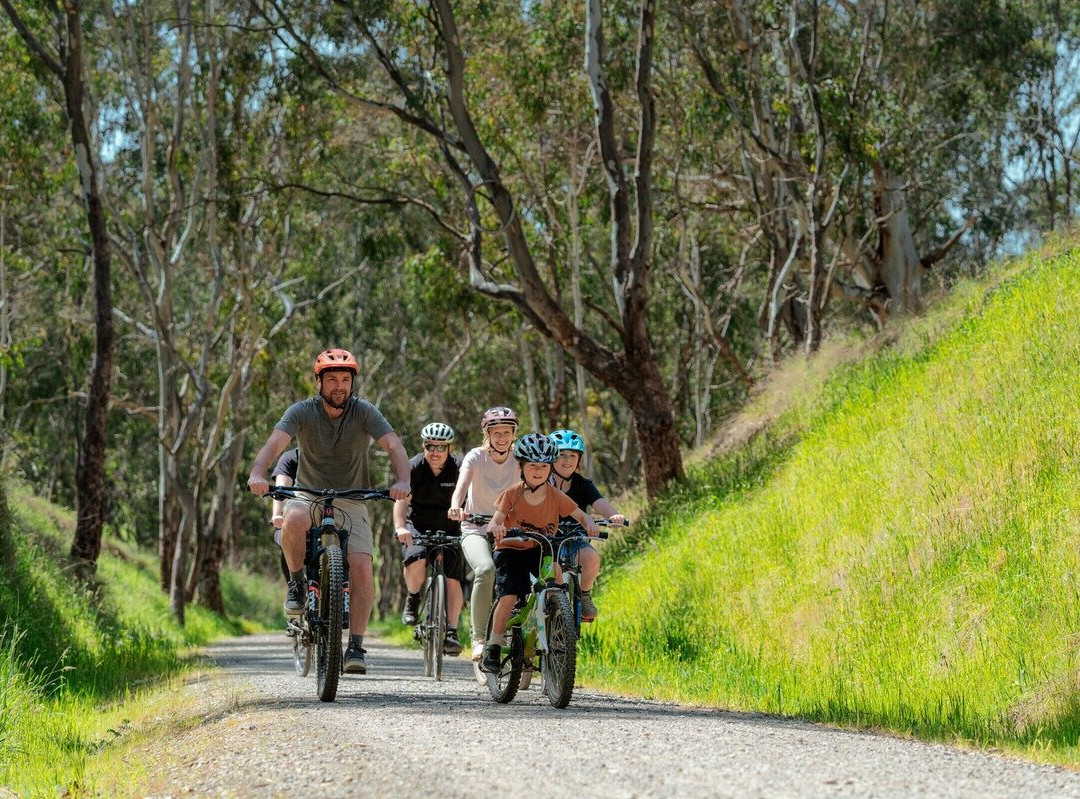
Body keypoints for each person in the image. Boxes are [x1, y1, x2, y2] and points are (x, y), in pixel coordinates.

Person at [247, 348, 411, 676]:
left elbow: (394, 446)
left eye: (345, 380)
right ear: (319, 382)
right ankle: (296, 583)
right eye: (332, 379)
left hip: (352, 498)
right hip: (308, 494)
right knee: (292, 518)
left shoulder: (363, 411)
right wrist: (257, 473)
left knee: (363, 567)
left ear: (352, 384)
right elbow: (275, 444)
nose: (339, 386)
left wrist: (403, 480)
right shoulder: (301, 412)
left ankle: (356, 645)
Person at [481, 433, 598, 673]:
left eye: (544, 466)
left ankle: (555, 624)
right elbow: (496, 520)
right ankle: (493, 644)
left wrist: (589, 523)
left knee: (556, 581)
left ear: (550, 468)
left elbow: (579, 514)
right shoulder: (512, 493)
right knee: (510, 596)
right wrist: (496, 528)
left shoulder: (556, 496)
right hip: (511, 550)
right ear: (521, 467)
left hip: (540, 549)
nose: (538, 471)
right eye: (532, 466)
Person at [447, 406, 520, 662]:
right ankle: (478, 638)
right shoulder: (475, 456)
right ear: (487, 433)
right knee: (485, 570)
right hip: (475, 527)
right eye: (496, 432)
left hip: (508, 528)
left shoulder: (520, 458)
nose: (501, 437)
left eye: (506, 432)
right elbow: (462, 486)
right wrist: (456, 505)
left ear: (514, 434)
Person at [393, 422, 465, 656]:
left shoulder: (459, 467)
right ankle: (413, 598)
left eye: (441, 447)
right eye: (430, 446)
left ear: (449, 448)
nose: (435, 452)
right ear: (424, 447)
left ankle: (452, 631)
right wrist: (400, 527)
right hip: (418, 525)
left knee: (453, 577)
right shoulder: (413, 467)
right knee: (416, 559)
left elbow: (470, 498)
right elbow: (401, 500)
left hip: (451, 528)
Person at [547, 429, 626, 622]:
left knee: (590, 557)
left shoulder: (583, 484)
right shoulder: (542, 482)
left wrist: (614, 516)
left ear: (579, 459)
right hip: (546, 541)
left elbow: (600, 504)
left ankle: (584, 595)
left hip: (574, 540)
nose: (567, 460)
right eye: (561, 455)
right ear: (550, 458)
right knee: (552, 574)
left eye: (572, 456)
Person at [270, 448, 299, 583]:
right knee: (287, 538)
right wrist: (277, 514)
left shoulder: (336, 457)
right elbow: (281, 486)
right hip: (298, 515)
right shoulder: (291, 457)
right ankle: (294, 584)